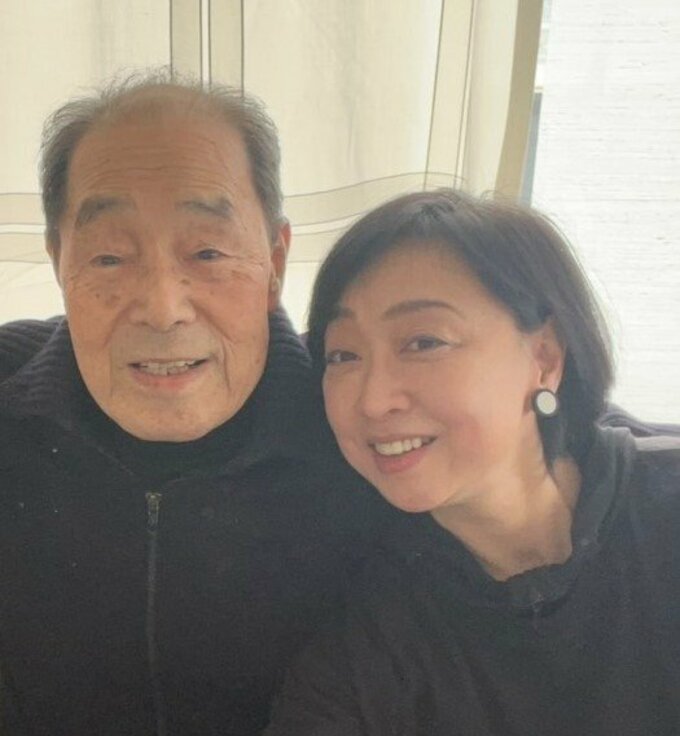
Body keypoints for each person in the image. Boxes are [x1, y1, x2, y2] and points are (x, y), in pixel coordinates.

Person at [0, 73, 390, 735]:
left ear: (275, 262)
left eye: (208, 251)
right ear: (59, 261)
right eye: (109, 257)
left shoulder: (366, 428)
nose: (162, 307)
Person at [265, 189, 680, 735]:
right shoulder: (372, 625)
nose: (373, 400)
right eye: (343, 354)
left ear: (544, 358)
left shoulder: (663, 514)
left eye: (423, 342)